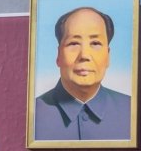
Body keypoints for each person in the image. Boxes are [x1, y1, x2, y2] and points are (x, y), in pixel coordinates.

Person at [35, 7, 131, 140]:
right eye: (74, 43)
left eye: (95, 43)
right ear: (58, 55)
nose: (84, 55)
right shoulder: (33, 113)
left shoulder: (131, 110)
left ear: (108, 56)